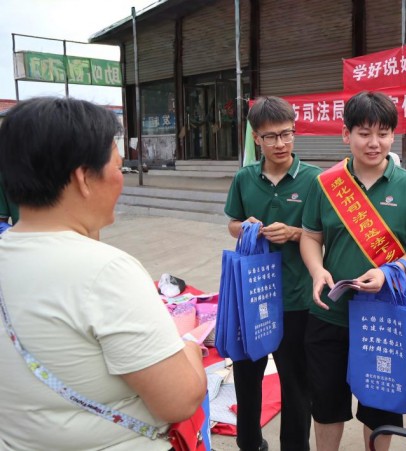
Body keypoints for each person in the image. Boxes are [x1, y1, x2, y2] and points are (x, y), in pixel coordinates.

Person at [0, 97, 206, 450]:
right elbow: (181, 400)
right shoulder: (106, 271)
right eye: (117, 165)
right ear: (83, 178)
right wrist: (186, 340)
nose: (120, 179)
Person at [300, 91, 406, 451]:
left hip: (386, 316)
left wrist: (392, 270)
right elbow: (311, 237)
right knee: (327, 406)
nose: (374, 143)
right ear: (346, 135)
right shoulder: (325, 185)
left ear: (394, 136)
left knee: (381, 409)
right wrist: (317, 270)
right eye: (364, 133)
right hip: (329, 315)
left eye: (383, 133)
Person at [224, 96, 321, 451]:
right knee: (246, 378)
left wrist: (295, 234)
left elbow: (326, 235)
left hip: (296, 298)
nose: (280, 144)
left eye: (287, 134)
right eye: (271, 137)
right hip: (252, 299)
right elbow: (232, 223)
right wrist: (243, 227)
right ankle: (250, 444)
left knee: (296, 385)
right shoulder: (244, 179)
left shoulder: (315, 180)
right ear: (256, 139)